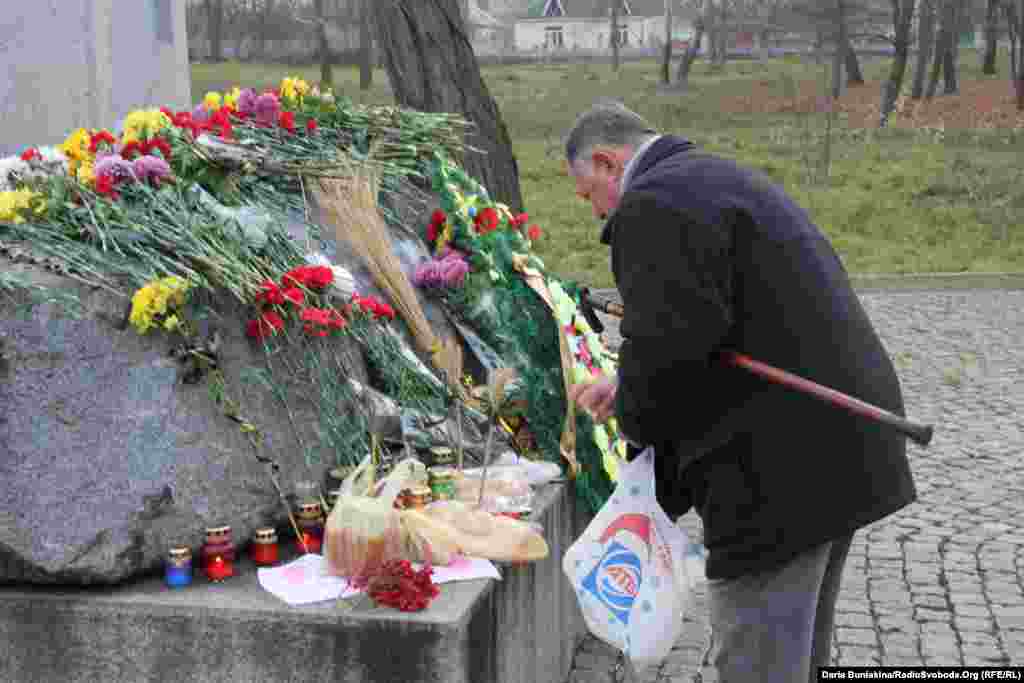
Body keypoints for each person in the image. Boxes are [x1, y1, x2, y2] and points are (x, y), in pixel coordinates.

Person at [565, 102, 917, 683]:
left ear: (607, 162)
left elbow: (670, 355)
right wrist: (630, 378)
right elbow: (714, 323)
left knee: (760, 661)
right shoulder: (705, 178)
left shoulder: (654, 204)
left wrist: (636, 423)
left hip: (782, 473)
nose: (596, 212)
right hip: (841, 441)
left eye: (589, 196)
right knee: (799, 657)